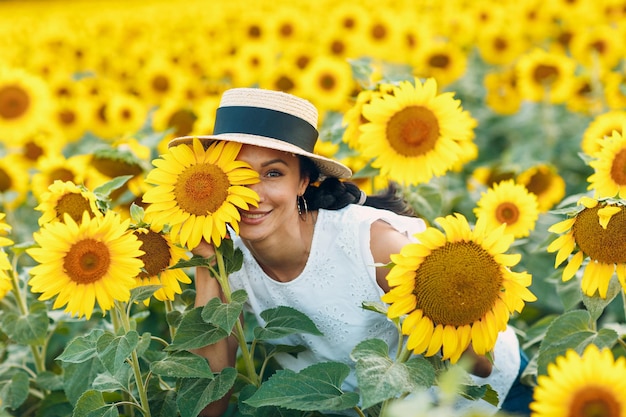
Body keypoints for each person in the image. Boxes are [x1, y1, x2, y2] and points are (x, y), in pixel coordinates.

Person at [168, 88, 530, 416]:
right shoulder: (230, 260)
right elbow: (208, 401)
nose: (252, 194)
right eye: (237, 175)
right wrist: (208, 263)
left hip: (484, 401)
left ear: (303, 181)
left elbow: (480, 364)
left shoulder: (374, 246)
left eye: (273, 173)